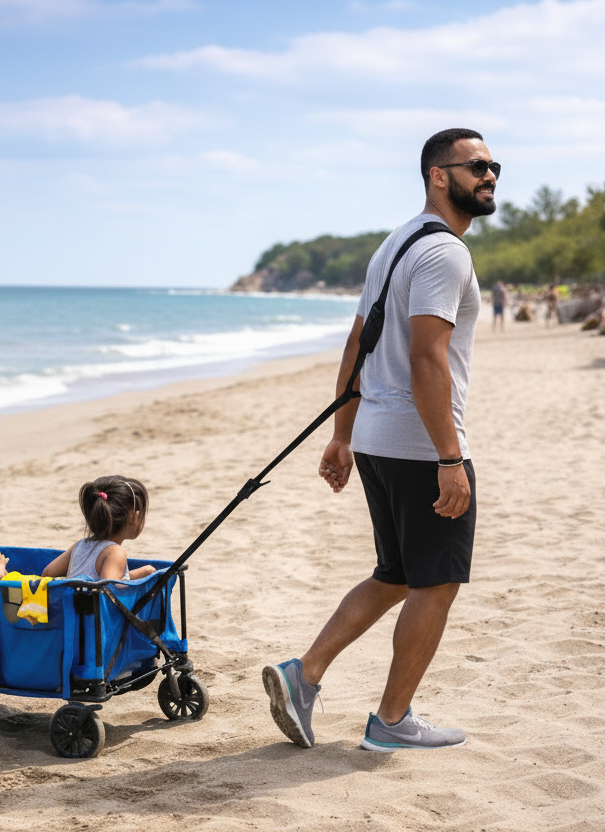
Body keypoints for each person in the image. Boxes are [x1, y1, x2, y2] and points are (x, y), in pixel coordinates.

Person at [263, 128, 497, 752]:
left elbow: (357, 341)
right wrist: (450, 458)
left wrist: (344, 435)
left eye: (494, 165)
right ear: (438, 175)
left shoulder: (395, 243)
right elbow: (426, 356)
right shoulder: (445, 252)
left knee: (395, 573)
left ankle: (303, 674)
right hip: (420, 443)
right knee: (436, 581)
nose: (490, 174)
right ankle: (392, 722)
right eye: (476, 165)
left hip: (375, 438)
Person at [42, 476, 157, 582]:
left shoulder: (80, 545)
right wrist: (137, 576)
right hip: (94, 605)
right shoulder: (116, 552)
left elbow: (47, 573)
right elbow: (107, 588)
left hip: (70, 604)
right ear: (134, 518)